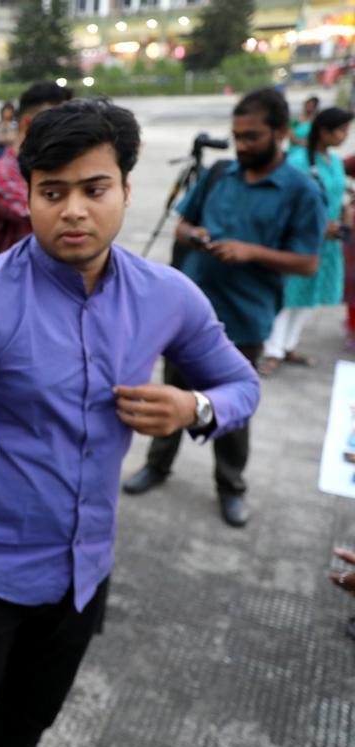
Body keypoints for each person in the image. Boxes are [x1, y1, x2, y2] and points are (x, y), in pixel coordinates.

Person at [0, 98, 260, 747]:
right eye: (52, 193)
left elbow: (241, 385)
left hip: (83, 575)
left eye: (95, 189)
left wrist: (194, 407)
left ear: (126, 187)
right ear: (26, 195)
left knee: (25, 729)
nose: (74, 212)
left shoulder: (166, 297)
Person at [123, 87, 326, 527]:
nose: (242, 145)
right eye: (237, 136)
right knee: (172, 393)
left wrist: (251, 253)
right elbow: (182, 225)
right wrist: (195, 236)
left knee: (231, 403)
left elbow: (309, 262)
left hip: (246, 316)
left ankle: (230, 486)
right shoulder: (219, 174)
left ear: (282, 132)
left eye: (252, 136)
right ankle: (158, 465)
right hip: (189, 313)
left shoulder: (300, 191)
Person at [262, 107, 354, 373]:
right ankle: (272, 350)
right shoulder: (298, 161)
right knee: (289, 294)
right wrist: (313, 226)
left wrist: (344, 215)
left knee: (309, 295)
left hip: (328, 241)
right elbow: (285, 201)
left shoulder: (334, 162)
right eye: (340, 130)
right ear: (323, 131)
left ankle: (288, 345)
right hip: (302, 239)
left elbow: (337, 193)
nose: (344, 136)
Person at [0, 81, 73, 261]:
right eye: (58, 124)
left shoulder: (48, 168)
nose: (67, 133)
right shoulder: (1, 176)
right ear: (27, 123)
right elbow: (57, 219)